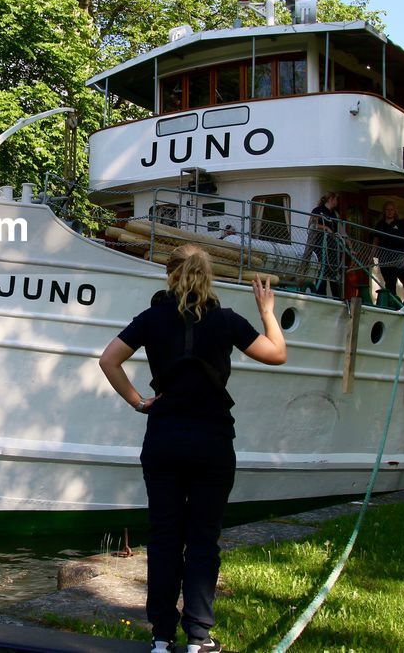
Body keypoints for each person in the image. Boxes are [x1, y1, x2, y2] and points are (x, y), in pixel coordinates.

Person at [98, 245, 287, 653]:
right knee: (203, 539)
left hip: (164, 436)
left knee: (165, 537)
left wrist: (138, 401)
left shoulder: (151, 318)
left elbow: (109, 360)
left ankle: (162, 638)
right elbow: (277, 354)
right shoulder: (226, 320)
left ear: (170, 275)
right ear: (208, 276)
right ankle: (199, 638)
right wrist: (267, 310)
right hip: (212, 440)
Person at [372, 202, 404, 302]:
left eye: (392, 210)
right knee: (390, 281)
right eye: (387, 210)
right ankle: (392, 302)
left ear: (395, 211)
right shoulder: (380, 225)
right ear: (384, 212)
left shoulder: (402, 223)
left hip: (400, 255)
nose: (389, 212)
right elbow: (376, 240)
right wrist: (371, 255)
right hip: (384, 257)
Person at [308, 192, 344, 298]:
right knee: (322, 272)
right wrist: (326, 228)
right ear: (331, 199)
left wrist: (349, 245)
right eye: (336, 200)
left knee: (333, 274)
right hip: (320, 246)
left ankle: (337, 298)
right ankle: (321, 297)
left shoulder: (335, 214)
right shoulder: (318, 211)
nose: (337, 202)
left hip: (332, 247)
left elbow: (341, 230)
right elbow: (312, 225)